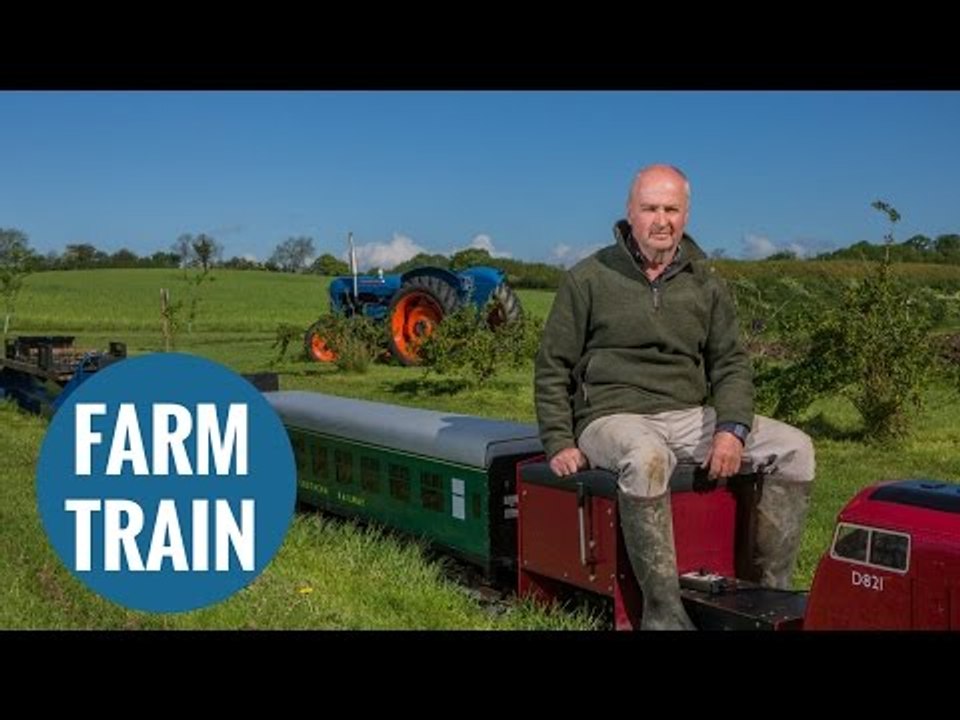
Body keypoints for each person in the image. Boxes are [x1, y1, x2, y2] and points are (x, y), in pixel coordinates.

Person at [534, 164, 815, 630]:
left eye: (671, 209)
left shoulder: (706, 283)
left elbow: (730, 364)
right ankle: (664, 615)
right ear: (629, 212)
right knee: (647, 457)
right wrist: (559, 441)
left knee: (795, 450)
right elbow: (552, 366)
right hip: (611, 417)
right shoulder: (587, 278)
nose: (660, 219)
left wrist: (731, 429)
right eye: (650, 208)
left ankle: (769, 597)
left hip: (688, 414)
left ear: (685, 215)